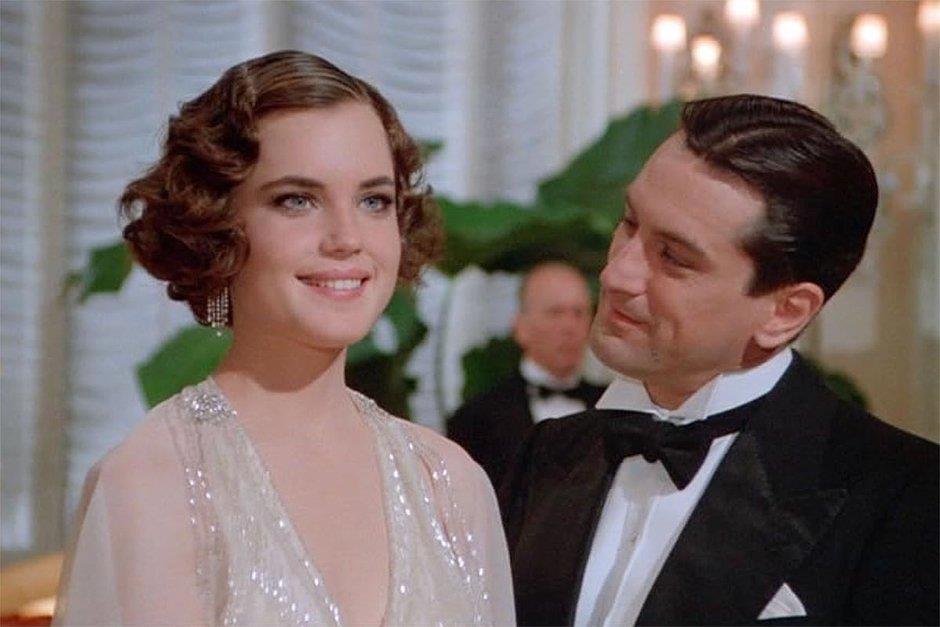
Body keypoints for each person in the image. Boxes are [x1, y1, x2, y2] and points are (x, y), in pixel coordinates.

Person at [54, 50, 514, 626]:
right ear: (216, 225)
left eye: (374, 201)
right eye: (297, 200)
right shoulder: (152, 482)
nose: (346, 237)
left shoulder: (450, 484)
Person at [500, 94, 939, 626]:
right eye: (629, 223)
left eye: (674, 257)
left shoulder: (909, 498)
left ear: (784, 312)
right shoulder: (546, 454)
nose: (616, 274)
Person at [447, 262, 604, 487]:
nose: (570, 326)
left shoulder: (611, 408)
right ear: (520, 327)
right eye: (555, 313)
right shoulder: (476, 419)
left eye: (579, 313)